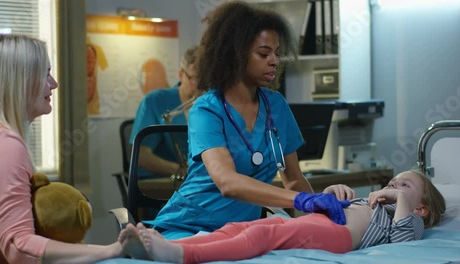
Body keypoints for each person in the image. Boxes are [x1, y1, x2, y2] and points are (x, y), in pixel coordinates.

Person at [146, 0, 355, 240]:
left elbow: (294, 179)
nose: (275, 61)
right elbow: (228, 182)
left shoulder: (276, 105)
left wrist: (321, 213)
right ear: (235, 54)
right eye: (264, 53)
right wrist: (302, 201)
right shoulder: (206, 109)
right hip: (188, 227)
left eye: (277, 53)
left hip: (240, 232)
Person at [0, 34, 122, 263]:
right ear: (21, 79)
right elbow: (18, 246)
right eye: (46, 74)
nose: (54, 84)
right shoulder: (3, 145)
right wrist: (110, 250)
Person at [119, 170, 446, 263]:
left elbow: (406, 247)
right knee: (242, 226)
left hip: (338, 237)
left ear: (421, 208)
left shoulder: (408, 218)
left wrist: (399, 197)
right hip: (320, 221)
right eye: (393, 182)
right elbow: (324, 205)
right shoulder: (370, 202)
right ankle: (156, 247)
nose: (393, 186)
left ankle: (181, 253)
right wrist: (332, 195)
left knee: (262, 238)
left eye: (404, 185)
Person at [130, 46, 199, 180]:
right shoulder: (156, 101)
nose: (201, 86)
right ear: (180, 75)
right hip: (164, 182)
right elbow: (141, 156)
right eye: (195, 79)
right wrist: (182, 171)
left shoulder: (212, 104)